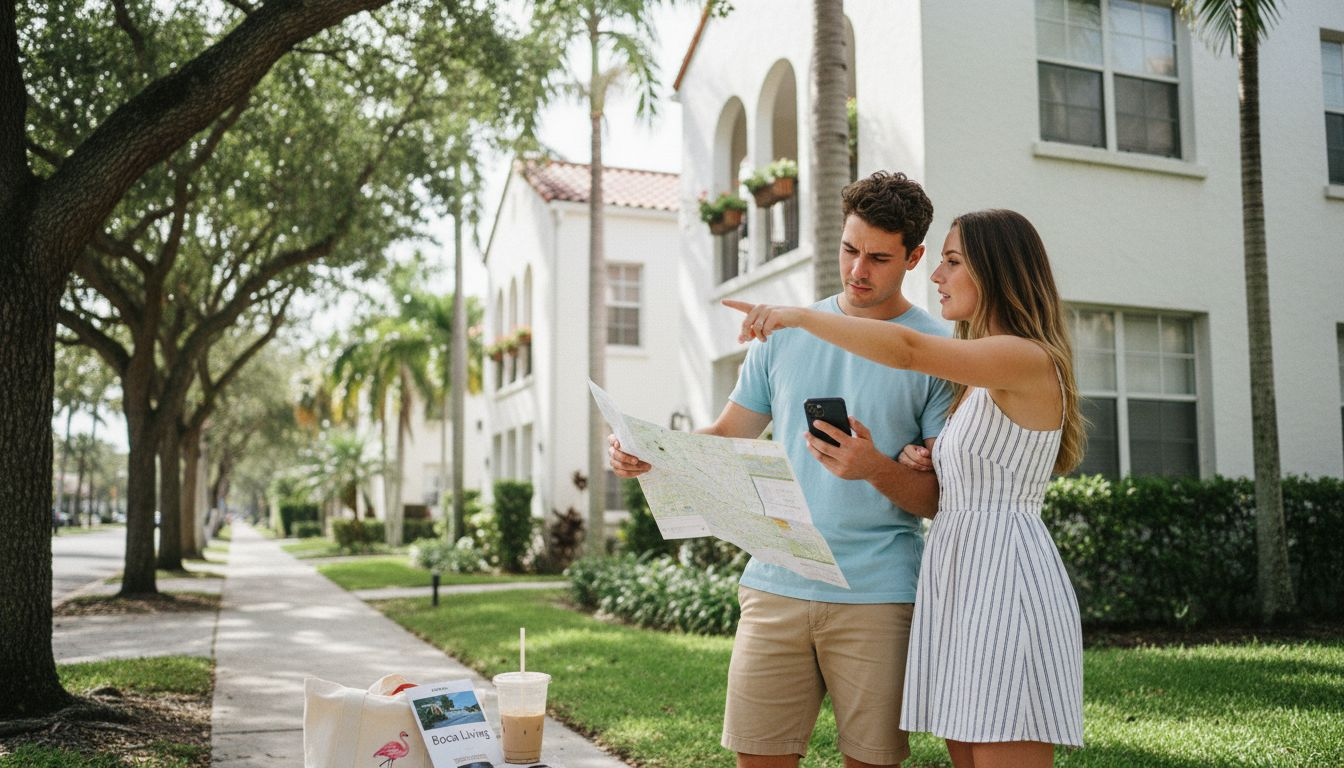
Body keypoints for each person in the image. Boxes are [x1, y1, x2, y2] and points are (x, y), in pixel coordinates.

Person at [611, 171, 953, 768]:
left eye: (878, 257)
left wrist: (872, 466)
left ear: (914, 257)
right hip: (774, 582)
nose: (857, 271)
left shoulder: (936, 349)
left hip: (878, 593)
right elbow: (725, 436)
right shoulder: (786, 333)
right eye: (849, 249)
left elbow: (937, 498)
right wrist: (649, 453)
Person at [724, 208, 1086, 768]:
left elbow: (908, 350)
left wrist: (798, 316)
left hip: (1005, 577)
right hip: (960, 577)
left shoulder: (1023, 356)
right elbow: (971, 462)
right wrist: (928, 455)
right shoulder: (982, 372)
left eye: (952, 261)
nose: (937, 276)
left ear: (997, 271)